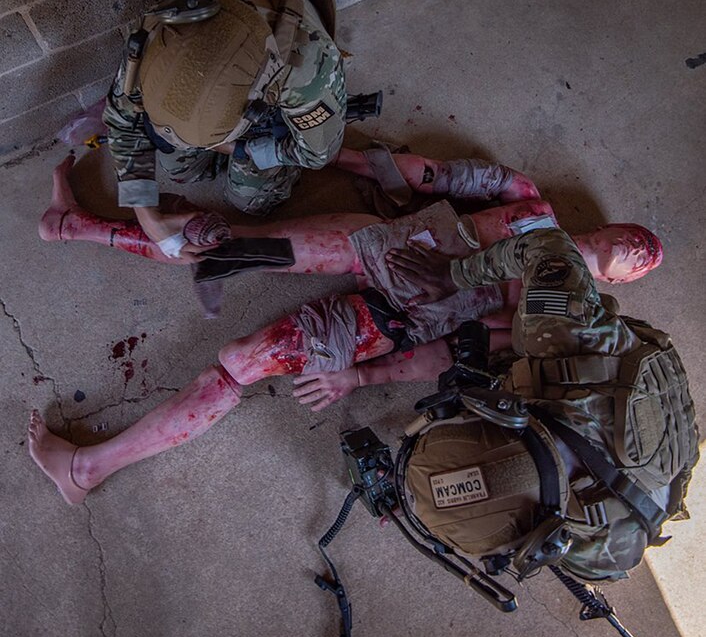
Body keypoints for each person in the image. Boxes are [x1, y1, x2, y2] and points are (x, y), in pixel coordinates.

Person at [32, 155, 663, 506]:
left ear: (615, 282)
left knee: (239, 363)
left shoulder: (548, 317)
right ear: (604, 230)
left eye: (620, 258)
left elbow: (462, 350)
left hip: (391, 321)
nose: (617, 248)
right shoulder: (530, 201)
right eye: (617, 240)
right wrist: (335, 150)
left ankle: (88, 469)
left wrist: (361, 376)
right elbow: (434, 175)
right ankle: (71, 224)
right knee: (219, 242)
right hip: (378, 243)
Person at [385, 227, 699, 582]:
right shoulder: (567, 337)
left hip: (657, 455)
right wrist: (451, 275)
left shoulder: (606, 549)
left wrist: (444, 511)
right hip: (634, 386)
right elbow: (546, 243)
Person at [103, 0, 346, 260]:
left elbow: (317, 153)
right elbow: (122, 123)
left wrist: (245, 150)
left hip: (274, 78)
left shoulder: (308, 70)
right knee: (180, 170)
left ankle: (255, 168)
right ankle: (207, 144)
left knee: (252, 202)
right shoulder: (154, 38)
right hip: (224, 75)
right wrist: (150, 222)